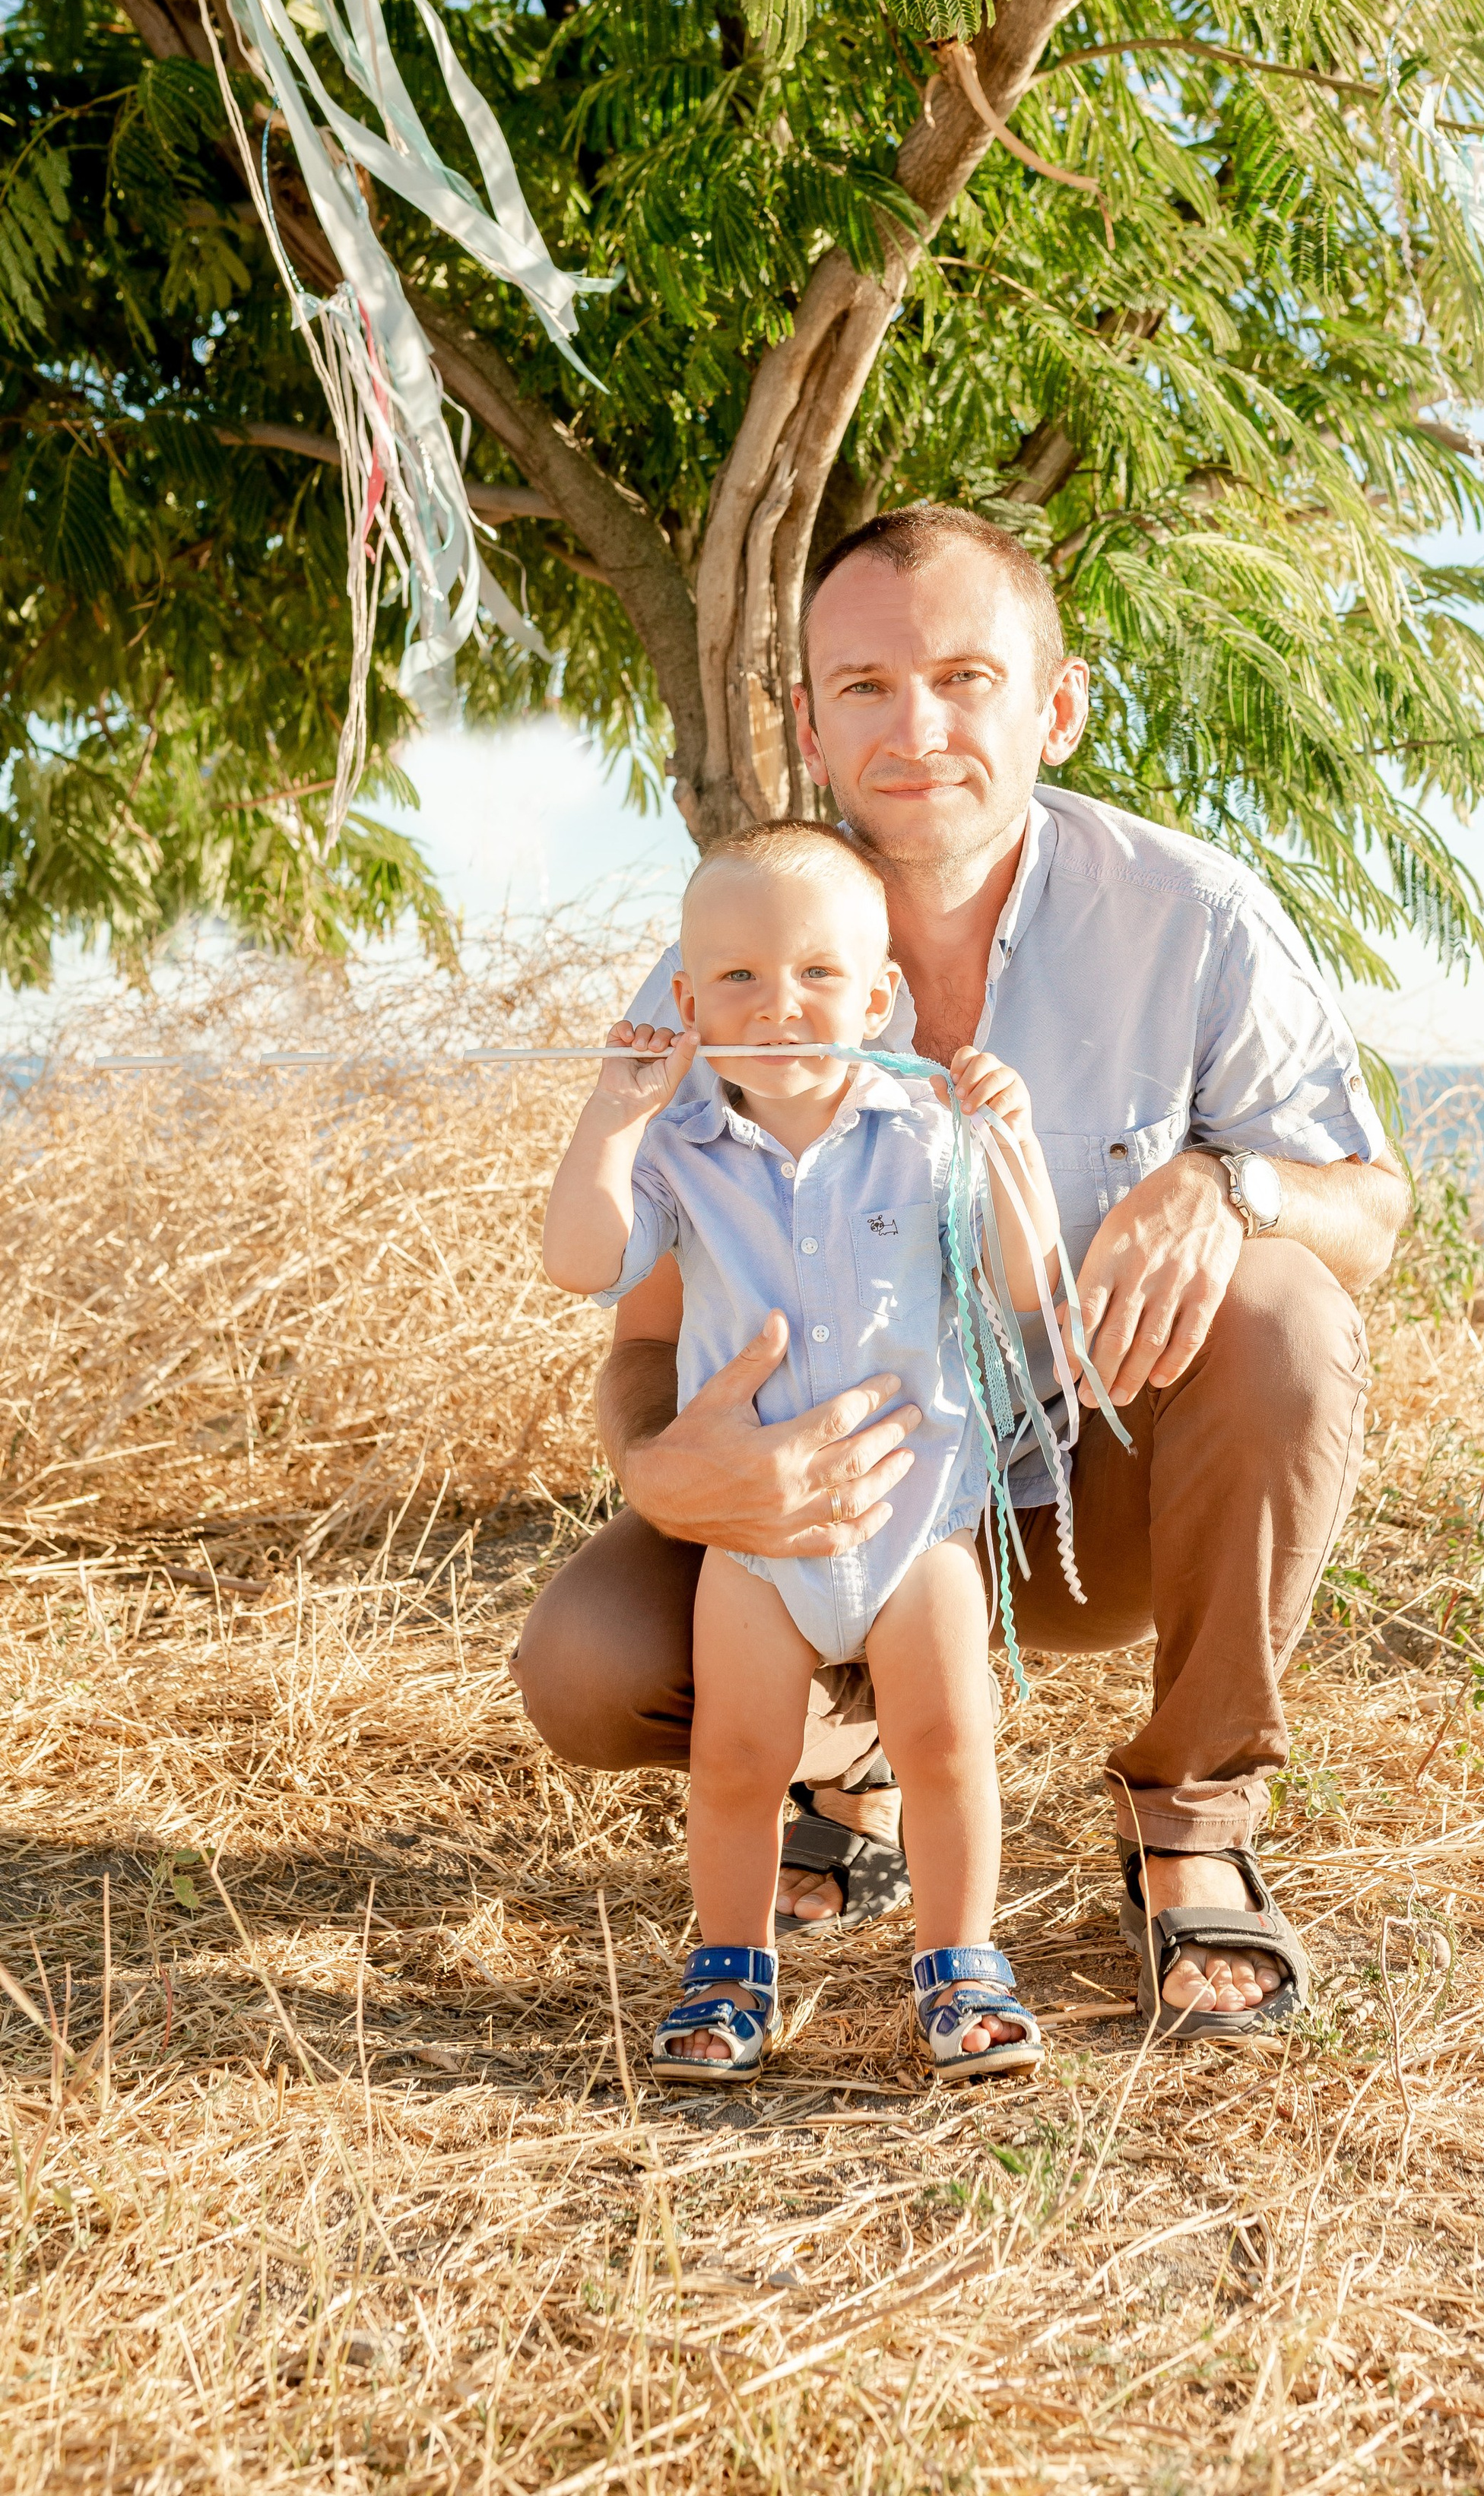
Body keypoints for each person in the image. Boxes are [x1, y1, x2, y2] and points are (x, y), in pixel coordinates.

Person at [515, 503, 1410, 2039]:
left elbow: (1369, 1210)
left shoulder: (1190, 920)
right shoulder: (725, 963)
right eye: (861, 686)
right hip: (812, 1509)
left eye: (963, 679)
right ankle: (839, 1757)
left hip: (1077, 1503)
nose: (913, 728)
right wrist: (669, 1476)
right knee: (584, 1666)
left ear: (1054, 705)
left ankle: (1188, 1827)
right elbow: (636, 1327)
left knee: (1284, 1311)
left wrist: (1225, 1180)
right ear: (807, 722)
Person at [541, 820, 1054, 2084]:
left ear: (879, 997)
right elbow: (583, 1261)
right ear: (688, 1002)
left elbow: (1028, 1283)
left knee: (947, 1746)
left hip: (915, 1524)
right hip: (759, 1544)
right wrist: (612, 1115)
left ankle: (959, 1963)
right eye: (739, 980)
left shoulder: (930, 1130)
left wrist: (1014, 1145)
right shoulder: (678, 1150)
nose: (781, 1005)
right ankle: (729, 1971)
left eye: (820, 975)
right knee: (736, 1760)